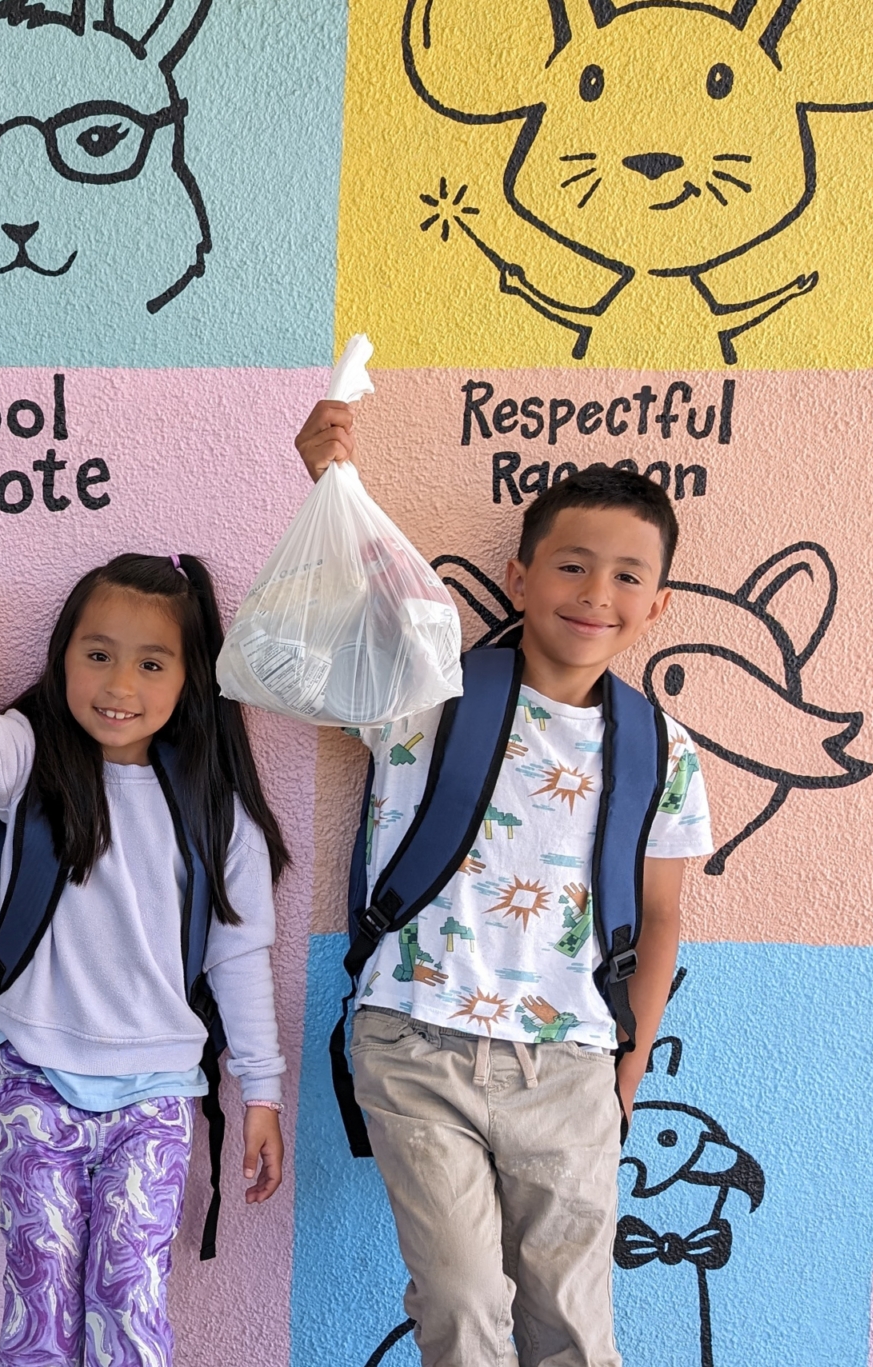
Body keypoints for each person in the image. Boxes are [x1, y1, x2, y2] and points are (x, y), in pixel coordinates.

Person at [296, 400, 712, 1367]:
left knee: (570, 1316)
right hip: (414, 1040)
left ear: (658, 606)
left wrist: (628, 1069)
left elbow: (660, 915)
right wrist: (328, 479)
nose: (594, 590)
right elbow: (333, 621)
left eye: (626, 575)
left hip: (571, 1063)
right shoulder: (426, 689)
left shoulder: (659, 749)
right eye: (570, 563)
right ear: (520, 575)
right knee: (462, 1298)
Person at [0, 551, 289, 1367]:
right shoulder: (26, 764)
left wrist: (261, 1090)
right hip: (33, 1077)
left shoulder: (219, 814)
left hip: (156, 1095)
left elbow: (241, 955)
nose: (120, 685)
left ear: (191, 679)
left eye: (152, 663)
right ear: (63, 656)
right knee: (40, 1300)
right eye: (98, 654)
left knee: (131, 1305)